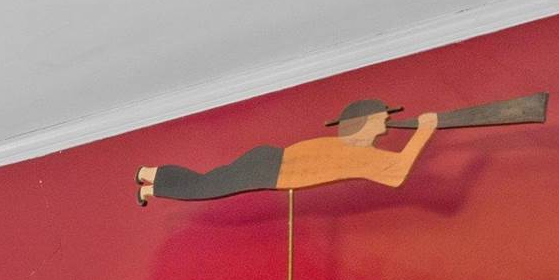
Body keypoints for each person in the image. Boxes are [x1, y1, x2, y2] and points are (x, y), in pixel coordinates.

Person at [137, 99, 442, 205]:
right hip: (270, 168)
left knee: (209, 182)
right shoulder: (360, 154)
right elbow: (397, 173)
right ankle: (151, 177)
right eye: (381, 119)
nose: (386, 123)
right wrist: (424, 131)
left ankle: (152, 183)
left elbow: (394, 172)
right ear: (364, 123)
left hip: (270, 165)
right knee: (207, 186)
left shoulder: (362, 154)